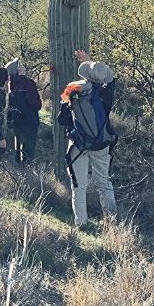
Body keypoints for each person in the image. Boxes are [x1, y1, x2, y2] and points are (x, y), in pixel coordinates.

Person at [60, 60, 119, 229]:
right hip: (101, 145)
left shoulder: (73, 90)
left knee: (78, 185)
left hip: (78, 144)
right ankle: (111, 222)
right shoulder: (106, 94)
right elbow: (111, 82)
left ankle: (81, 223)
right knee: (104, 183)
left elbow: (61, 119)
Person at [4, 57, 42, 164]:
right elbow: (36, 104)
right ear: (18, 70)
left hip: (17, 123)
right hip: (29, 122)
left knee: (18, 148)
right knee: (28, 151)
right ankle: (28, 174)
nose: (21, 65)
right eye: (19, 65)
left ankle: (19, 173)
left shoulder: (11, 85)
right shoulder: (28, 83)